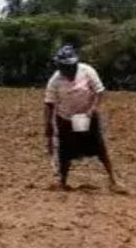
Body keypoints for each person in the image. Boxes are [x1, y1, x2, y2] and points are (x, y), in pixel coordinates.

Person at [43, 45, 122, 192]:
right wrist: (48, 126)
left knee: (99, 148)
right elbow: (49, 103)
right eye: (63, 66)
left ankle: (113, 180)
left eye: (69, 66)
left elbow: (99, 91)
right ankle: (62, 182)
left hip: (84, 117)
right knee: (65, 152)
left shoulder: (87, 71)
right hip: (66, 119)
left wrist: (92, 110)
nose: (67, 70)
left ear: (75, 64)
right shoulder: (55, 80)